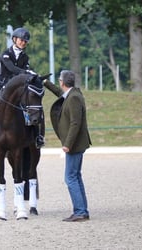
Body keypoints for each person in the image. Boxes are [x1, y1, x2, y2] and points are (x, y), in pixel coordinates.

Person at [0, 27, 45, 150]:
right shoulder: (6, 54)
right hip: (2, 86)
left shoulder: (25, 57)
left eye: (25, 41)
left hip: (17, 88)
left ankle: (37, 136)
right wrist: (27, 72)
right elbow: (11, 69)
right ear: (14, 39)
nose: (23, 43)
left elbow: (24, 71)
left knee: (32, 107)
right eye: (21, 40)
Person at [43, 70, 92, 222]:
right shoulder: (72, 94)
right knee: (75, 176)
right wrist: (45, 83)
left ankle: (80, 211)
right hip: (75, 144)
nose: (59, 83)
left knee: (70, 177)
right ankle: (82, 210)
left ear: (63, 82)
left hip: (74, 145)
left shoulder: (74, 98)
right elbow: (60, 93)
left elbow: (75, 122)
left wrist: (67, 145)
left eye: (59, 80)